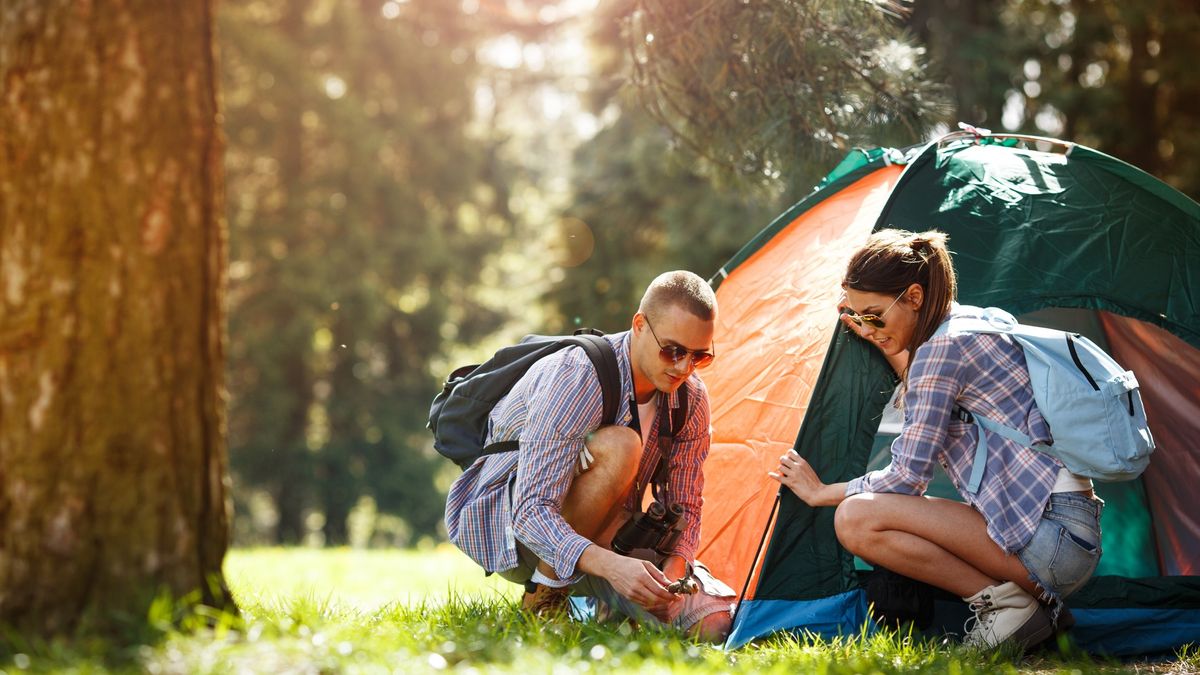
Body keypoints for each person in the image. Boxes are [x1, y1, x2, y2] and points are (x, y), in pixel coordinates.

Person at [769, 229, 1103, 651]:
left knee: (855, 518)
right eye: (860, 316)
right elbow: (926, 376)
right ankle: (1032, 606)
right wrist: (881, 332)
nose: (868, 327)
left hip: (1049, 539)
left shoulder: (940, 352)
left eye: (874, 315)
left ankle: (1008, 607)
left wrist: (822, 493)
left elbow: (909, 478)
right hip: (1065, 533)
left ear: (913, 297)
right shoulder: (967, 324)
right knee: (865, 513)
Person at [445, 270, 735, 641]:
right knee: (622, 446)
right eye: (673, 350)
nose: (684, 368)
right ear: (640, 325)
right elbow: (531, 511)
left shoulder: (691, 398)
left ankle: (617, 610)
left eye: (700, 356)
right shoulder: (578, 375)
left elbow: (687, 505)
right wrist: (614, 567)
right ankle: (545, 596)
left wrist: (676, 570)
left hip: (612, 533)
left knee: (712, 626)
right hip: (514, 531)